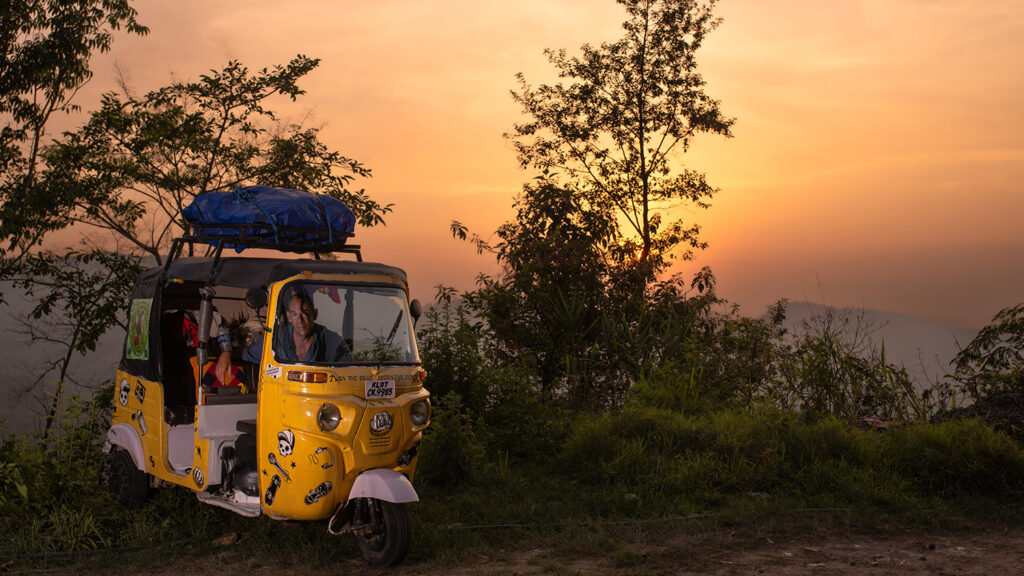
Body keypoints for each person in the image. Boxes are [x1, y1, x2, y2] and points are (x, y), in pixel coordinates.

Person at [244, 289, 350, 363]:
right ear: (289, 316)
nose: (300, 320)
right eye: (295, 314)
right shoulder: (276, 339)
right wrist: (226, 352)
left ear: (315, 314)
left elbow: (348, 368)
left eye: (305, 313)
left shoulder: (331, 340)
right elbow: (246, 356)